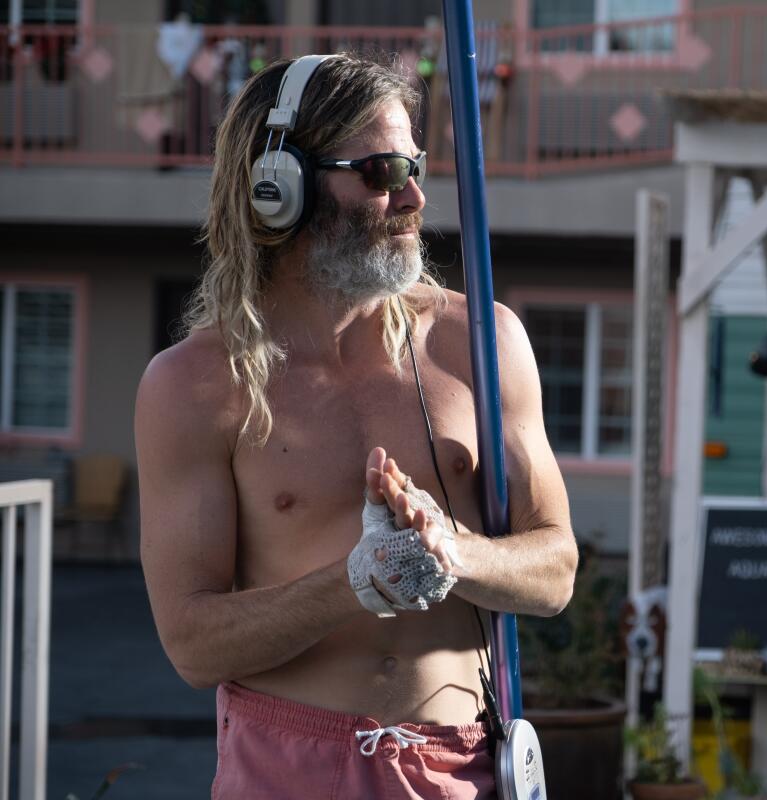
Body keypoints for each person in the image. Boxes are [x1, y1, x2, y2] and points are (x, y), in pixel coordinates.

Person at [135, 53, 577, 798]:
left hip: (461, 768)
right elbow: (192, 645)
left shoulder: (482, 344)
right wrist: (354, 585)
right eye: (378, 172)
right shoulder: (196, 384)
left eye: (414, 165)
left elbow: (556, 570)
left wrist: (454, 552)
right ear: (280, 188)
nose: (411, 195)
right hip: (286, 767)